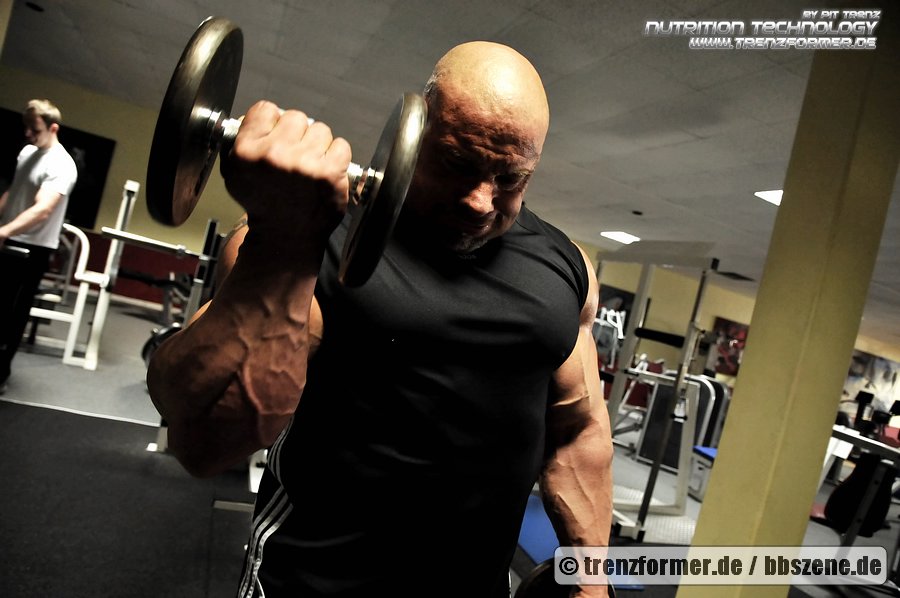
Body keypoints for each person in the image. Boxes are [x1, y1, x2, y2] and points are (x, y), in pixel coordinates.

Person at [148, 41, 613, 597]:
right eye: (458, 164)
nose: (480, 201)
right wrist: (283, 241)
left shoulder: (564, 268)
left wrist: (590, 582)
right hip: (310, 584)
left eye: (511, 178)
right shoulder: (315, 239)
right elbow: (205, 443)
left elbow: (578, 429)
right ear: (417, 129)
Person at [0, 99, 78, 392]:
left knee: (10, 315)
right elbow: (15, 192)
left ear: (53, 128)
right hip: (8, 238)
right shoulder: (27, 152)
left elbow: (43, 209)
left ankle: (0, 374)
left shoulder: (62, 164)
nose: (28, 134)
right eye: (26, 128)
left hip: (31, 249)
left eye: (34, 129)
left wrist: (4, 231)